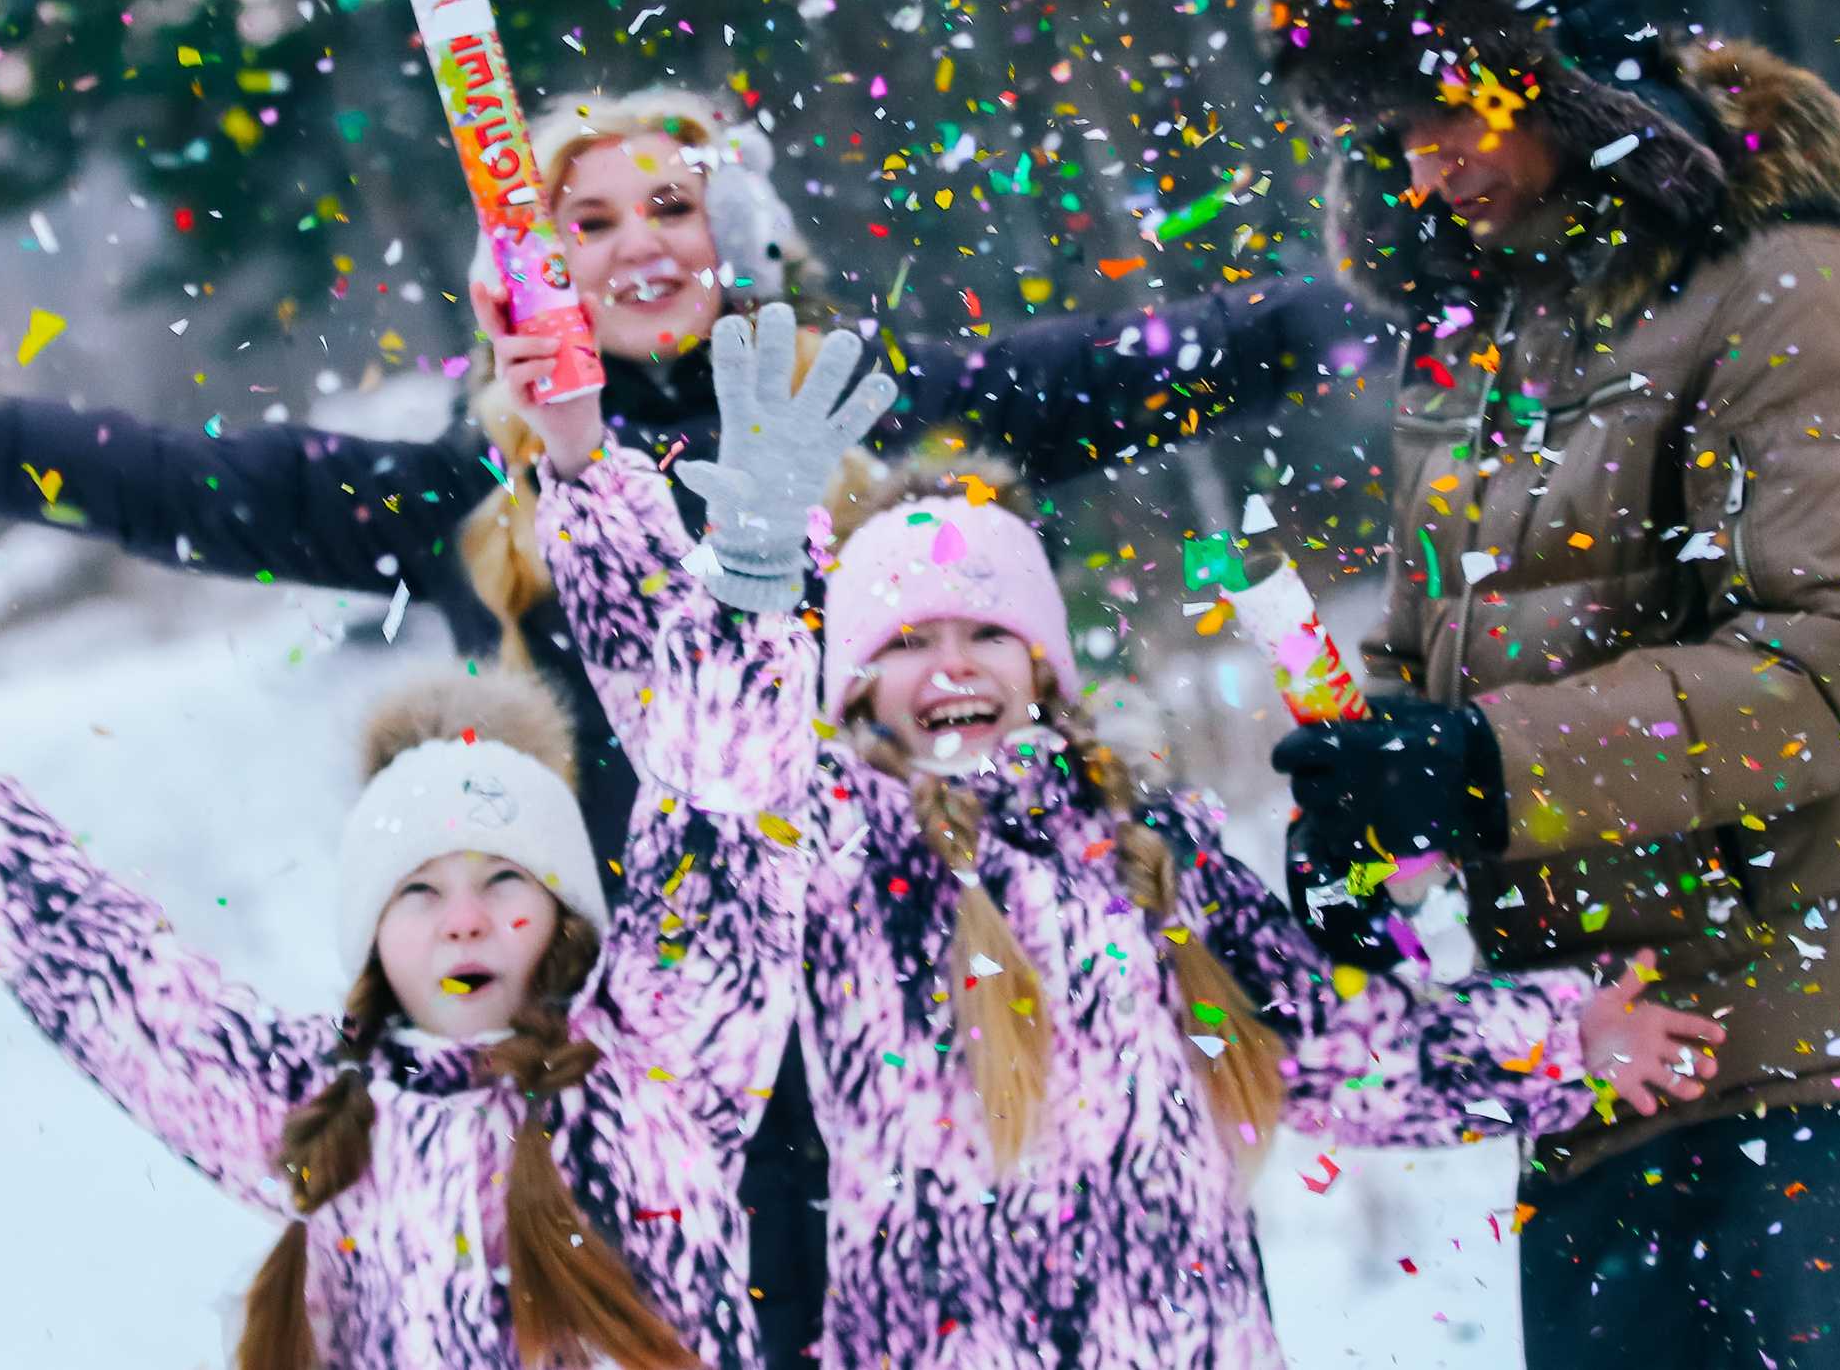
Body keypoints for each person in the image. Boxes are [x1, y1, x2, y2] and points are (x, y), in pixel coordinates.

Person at [0, 86, 1319, 1364]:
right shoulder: (458, 493)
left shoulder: (866, 416)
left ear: (740, 231)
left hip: (935, 1061)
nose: (648, 237)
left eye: (680, 199)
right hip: (638, 1094)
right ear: (528, 267)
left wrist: (1371, 301)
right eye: (591, 218)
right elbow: (166, 481)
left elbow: (1155, 363)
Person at [532, 302, 1722, 1367]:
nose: (948, 666)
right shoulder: (819, 858)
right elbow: (703, 807)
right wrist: (733, 581)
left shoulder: (1146, 845)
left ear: (1042, 665)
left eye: (983, 634)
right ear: (847, 687)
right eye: (900, 644)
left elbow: (1329, 1047)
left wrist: (1560, 1040)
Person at [1258, 0, 1840, 1369]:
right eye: (1391, 135)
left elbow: (1833, 664)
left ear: (1563, 67)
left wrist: (1480, 765)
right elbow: (1439, 658)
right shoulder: (1470, 358)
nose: (1427, 166)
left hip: (1817, 1071)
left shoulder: (1787, 286)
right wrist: (1370, 813)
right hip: (1598, 1075)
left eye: (1448, 110)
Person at [0, 558, 816, 1370]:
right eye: (417, 890)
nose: (463, 921)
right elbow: (120, 989)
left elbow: (729, 849)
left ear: (565, 918)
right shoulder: (320, 1113)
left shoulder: (656, 1064)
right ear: (371, 938)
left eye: (503, 881)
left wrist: (754, 588)